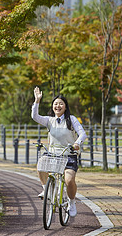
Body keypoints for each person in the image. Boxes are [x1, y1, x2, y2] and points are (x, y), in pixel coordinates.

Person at [31, 86, 87, 217]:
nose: (58, 106)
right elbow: (34, 116)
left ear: (65, 107)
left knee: (69, 180)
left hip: (68, 154)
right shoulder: (49, 120)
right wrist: (37, 100)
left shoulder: (71, 119)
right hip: (53, 153)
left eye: (61, 104)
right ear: (52, 107)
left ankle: (71, 202)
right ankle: (46, 190)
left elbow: (82, 134)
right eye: (55, 104)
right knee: (40, 166)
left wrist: (77, 143)